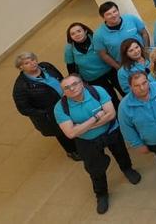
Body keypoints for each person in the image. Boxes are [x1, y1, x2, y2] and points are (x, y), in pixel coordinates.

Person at [54, 76, 140, 214]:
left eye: (74, 84)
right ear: (63, 92)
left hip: (110, 130)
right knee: (94, 169)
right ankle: (101, 194)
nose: (72, 88)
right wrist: (96, 117)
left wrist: (81, 127)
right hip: (87, 141)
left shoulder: (97, 91)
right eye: (67, 88)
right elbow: (70, 134)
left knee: (121, 152)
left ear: (82, 84)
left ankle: (127, 169)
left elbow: (111, 114)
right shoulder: (60, 108)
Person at [13, 52, 79, 161]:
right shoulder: (21, 87)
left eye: (33, 59)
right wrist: (46, 113)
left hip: (67, 102)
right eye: (27, 63)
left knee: (76, 122)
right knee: (62, 133)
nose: (32, 63)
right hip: (51, 115)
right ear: (21, 67)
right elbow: (23, 109)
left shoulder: (47, 66)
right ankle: (72, 151)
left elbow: (61, 79)